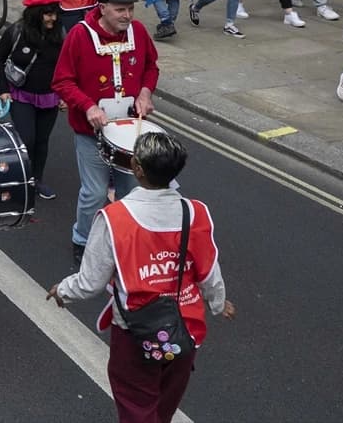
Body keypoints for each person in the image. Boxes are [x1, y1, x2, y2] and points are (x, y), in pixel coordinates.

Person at [47, 132, 235, 423]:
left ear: (136, 167)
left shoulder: (115, 218)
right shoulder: (195, 212)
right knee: (164, 406)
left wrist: (63, 291)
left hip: (136, 332)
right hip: (186, 329)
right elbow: (210, 272)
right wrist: (218, 303)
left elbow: (90, 282)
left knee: (137, 406)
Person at [52, 0, 159, 270]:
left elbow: (151, 66)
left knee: (131, 190)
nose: (127, 15)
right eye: (120, 10)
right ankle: (82, 239)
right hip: (92, 134)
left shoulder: (138, 32)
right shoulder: (79, 36)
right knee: (95, 192)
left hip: (129, 131)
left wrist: (146, 92)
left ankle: (121, 238)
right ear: (102, 9)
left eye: (131, 9)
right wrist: (88, 106)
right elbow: (62, 81)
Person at [0, 0, 65, 200]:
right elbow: (0, 61)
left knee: (42, 141)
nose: (52, 19)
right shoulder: (16, 32)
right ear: (35, 15)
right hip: (21, 95)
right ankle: (21, 178)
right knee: (27, 138)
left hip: (50, 97)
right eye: (47, 15)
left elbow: (68, 67)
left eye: (54, 14)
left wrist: (64, 95)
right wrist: (4, 89)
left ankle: (37, 180)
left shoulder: (61, 34)